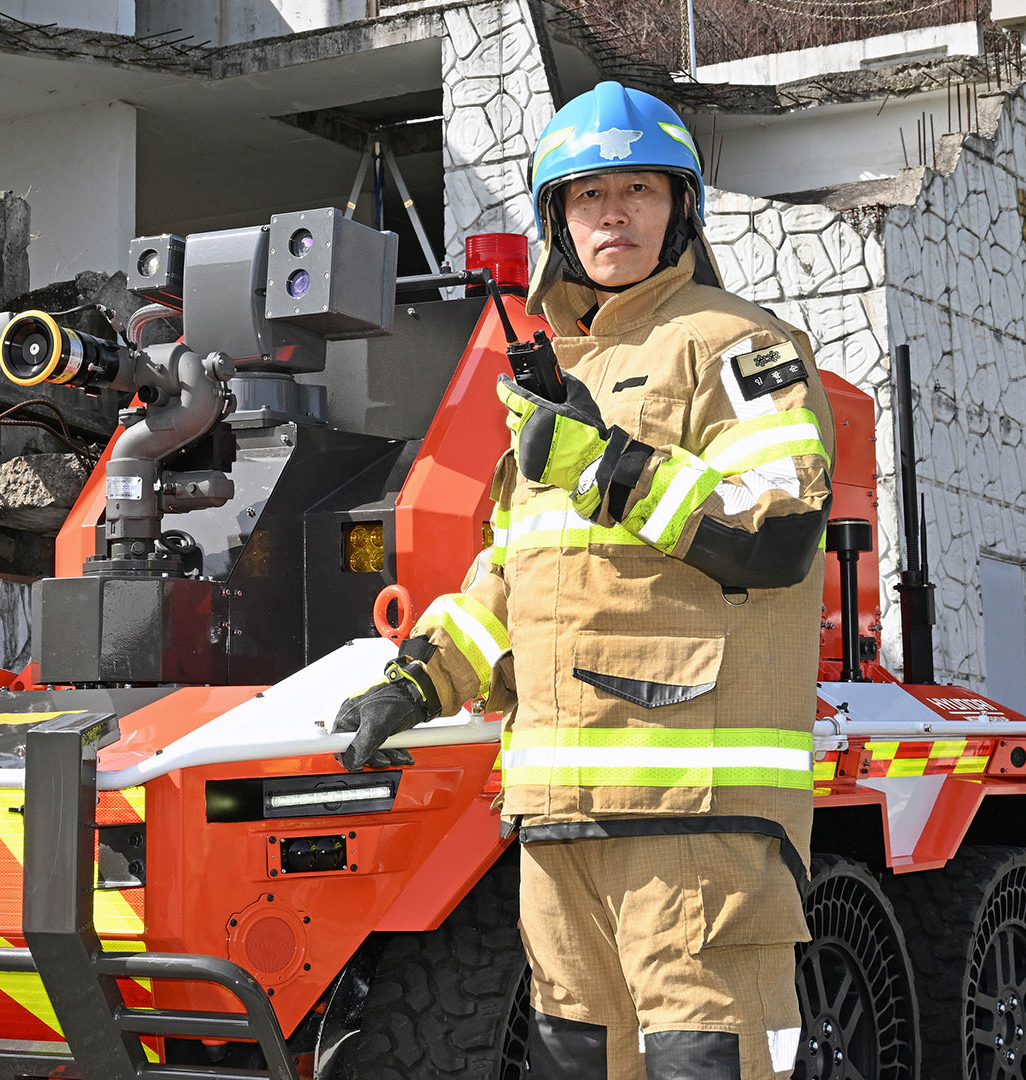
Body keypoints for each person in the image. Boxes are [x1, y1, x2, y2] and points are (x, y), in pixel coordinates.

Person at [332, 81, 834, 1079]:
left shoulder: (739, 345)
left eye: (639, 189)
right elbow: (514, 576)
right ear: (557, 220)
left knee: (709, 1057)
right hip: (560, 816)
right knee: (579, 1059)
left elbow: (777, 526)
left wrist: (612, 469)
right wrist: (419, 677)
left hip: (696, 808)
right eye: (588, 194)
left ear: (678, 209)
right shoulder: (563, 383)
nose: (614, 213)